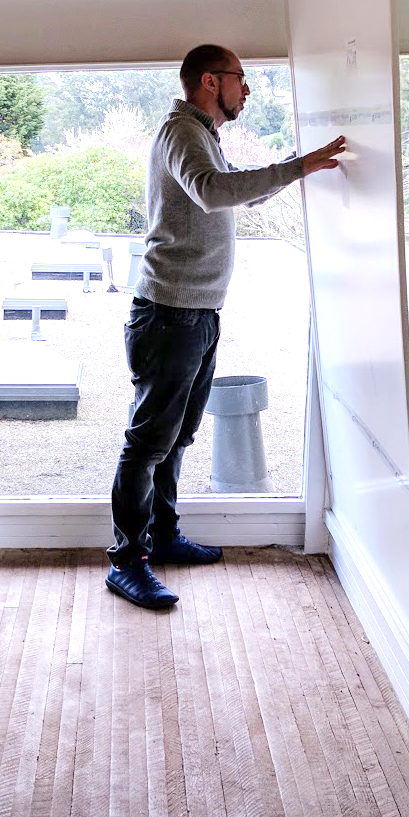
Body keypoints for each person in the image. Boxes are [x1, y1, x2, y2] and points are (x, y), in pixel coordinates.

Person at [106, 44, 347, 610]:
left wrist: (296, 170)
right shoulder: (182, 132)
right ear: (211, 81)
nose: (248, 88)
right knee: (147, 444)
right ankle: (126, 561)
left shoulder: (201, 135)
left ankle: (162, 538)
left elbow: (240, 193)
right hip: (170, 314)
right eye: (242, 79)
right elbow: (212, 193)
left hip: (196, 312)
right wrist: (298, 165)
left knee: (177, 438)